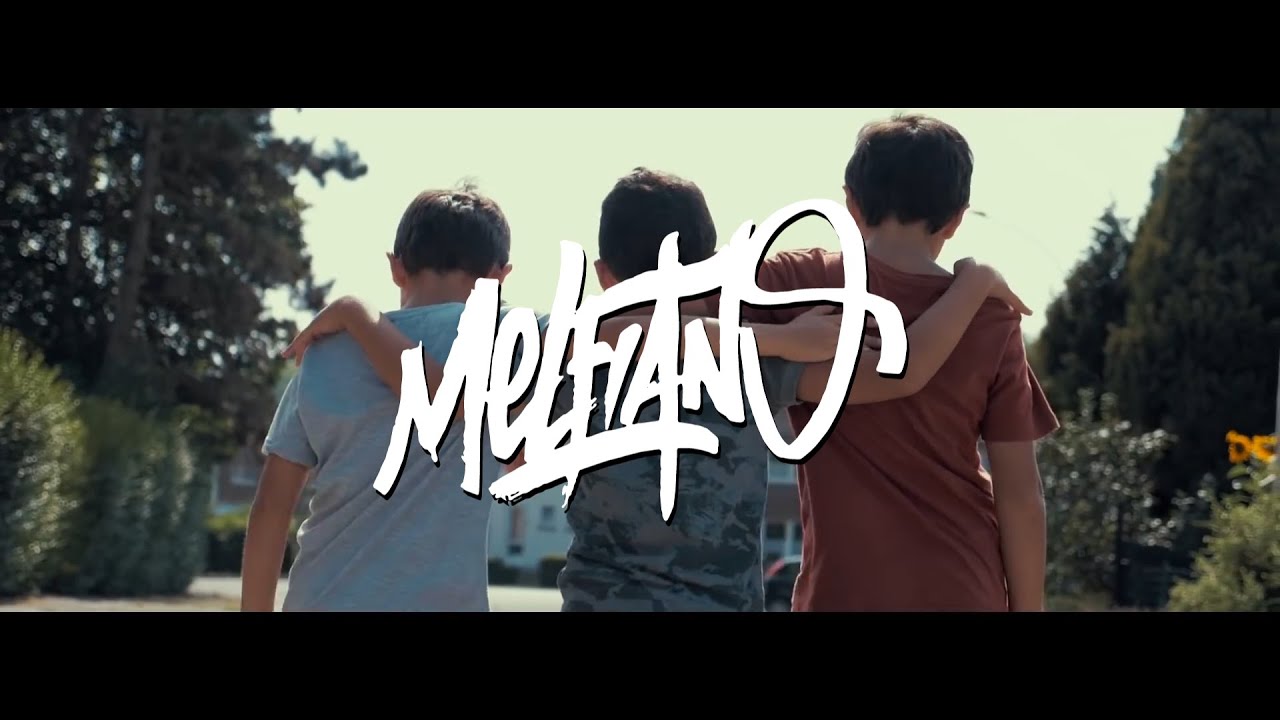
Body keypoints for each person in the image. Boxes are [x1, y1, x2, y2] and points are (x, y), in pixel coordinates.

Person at [286, 168, 1028, 612]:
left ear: (603, 273)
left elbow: (447, 402)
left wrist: (359, 315)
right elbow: (895, 372)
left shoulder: (564, 358)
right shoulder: (755, 359)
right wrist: (971, 286)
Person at [733, 114, 1061, 612]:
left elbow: (665, 319)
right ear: (956, 219)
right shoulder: (989, 316)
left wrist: (780, 338)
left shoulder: (796, 281)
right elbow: (1020, 496)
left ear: (851, 203)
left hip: (840, 593)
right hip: (964, 586)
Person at [240, 184, 530, 612]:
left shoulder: (324, 352)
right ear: (499, 277)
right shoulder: (509, 343)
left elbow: (271, 507)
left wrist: (355, 313)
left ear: (396, 267)